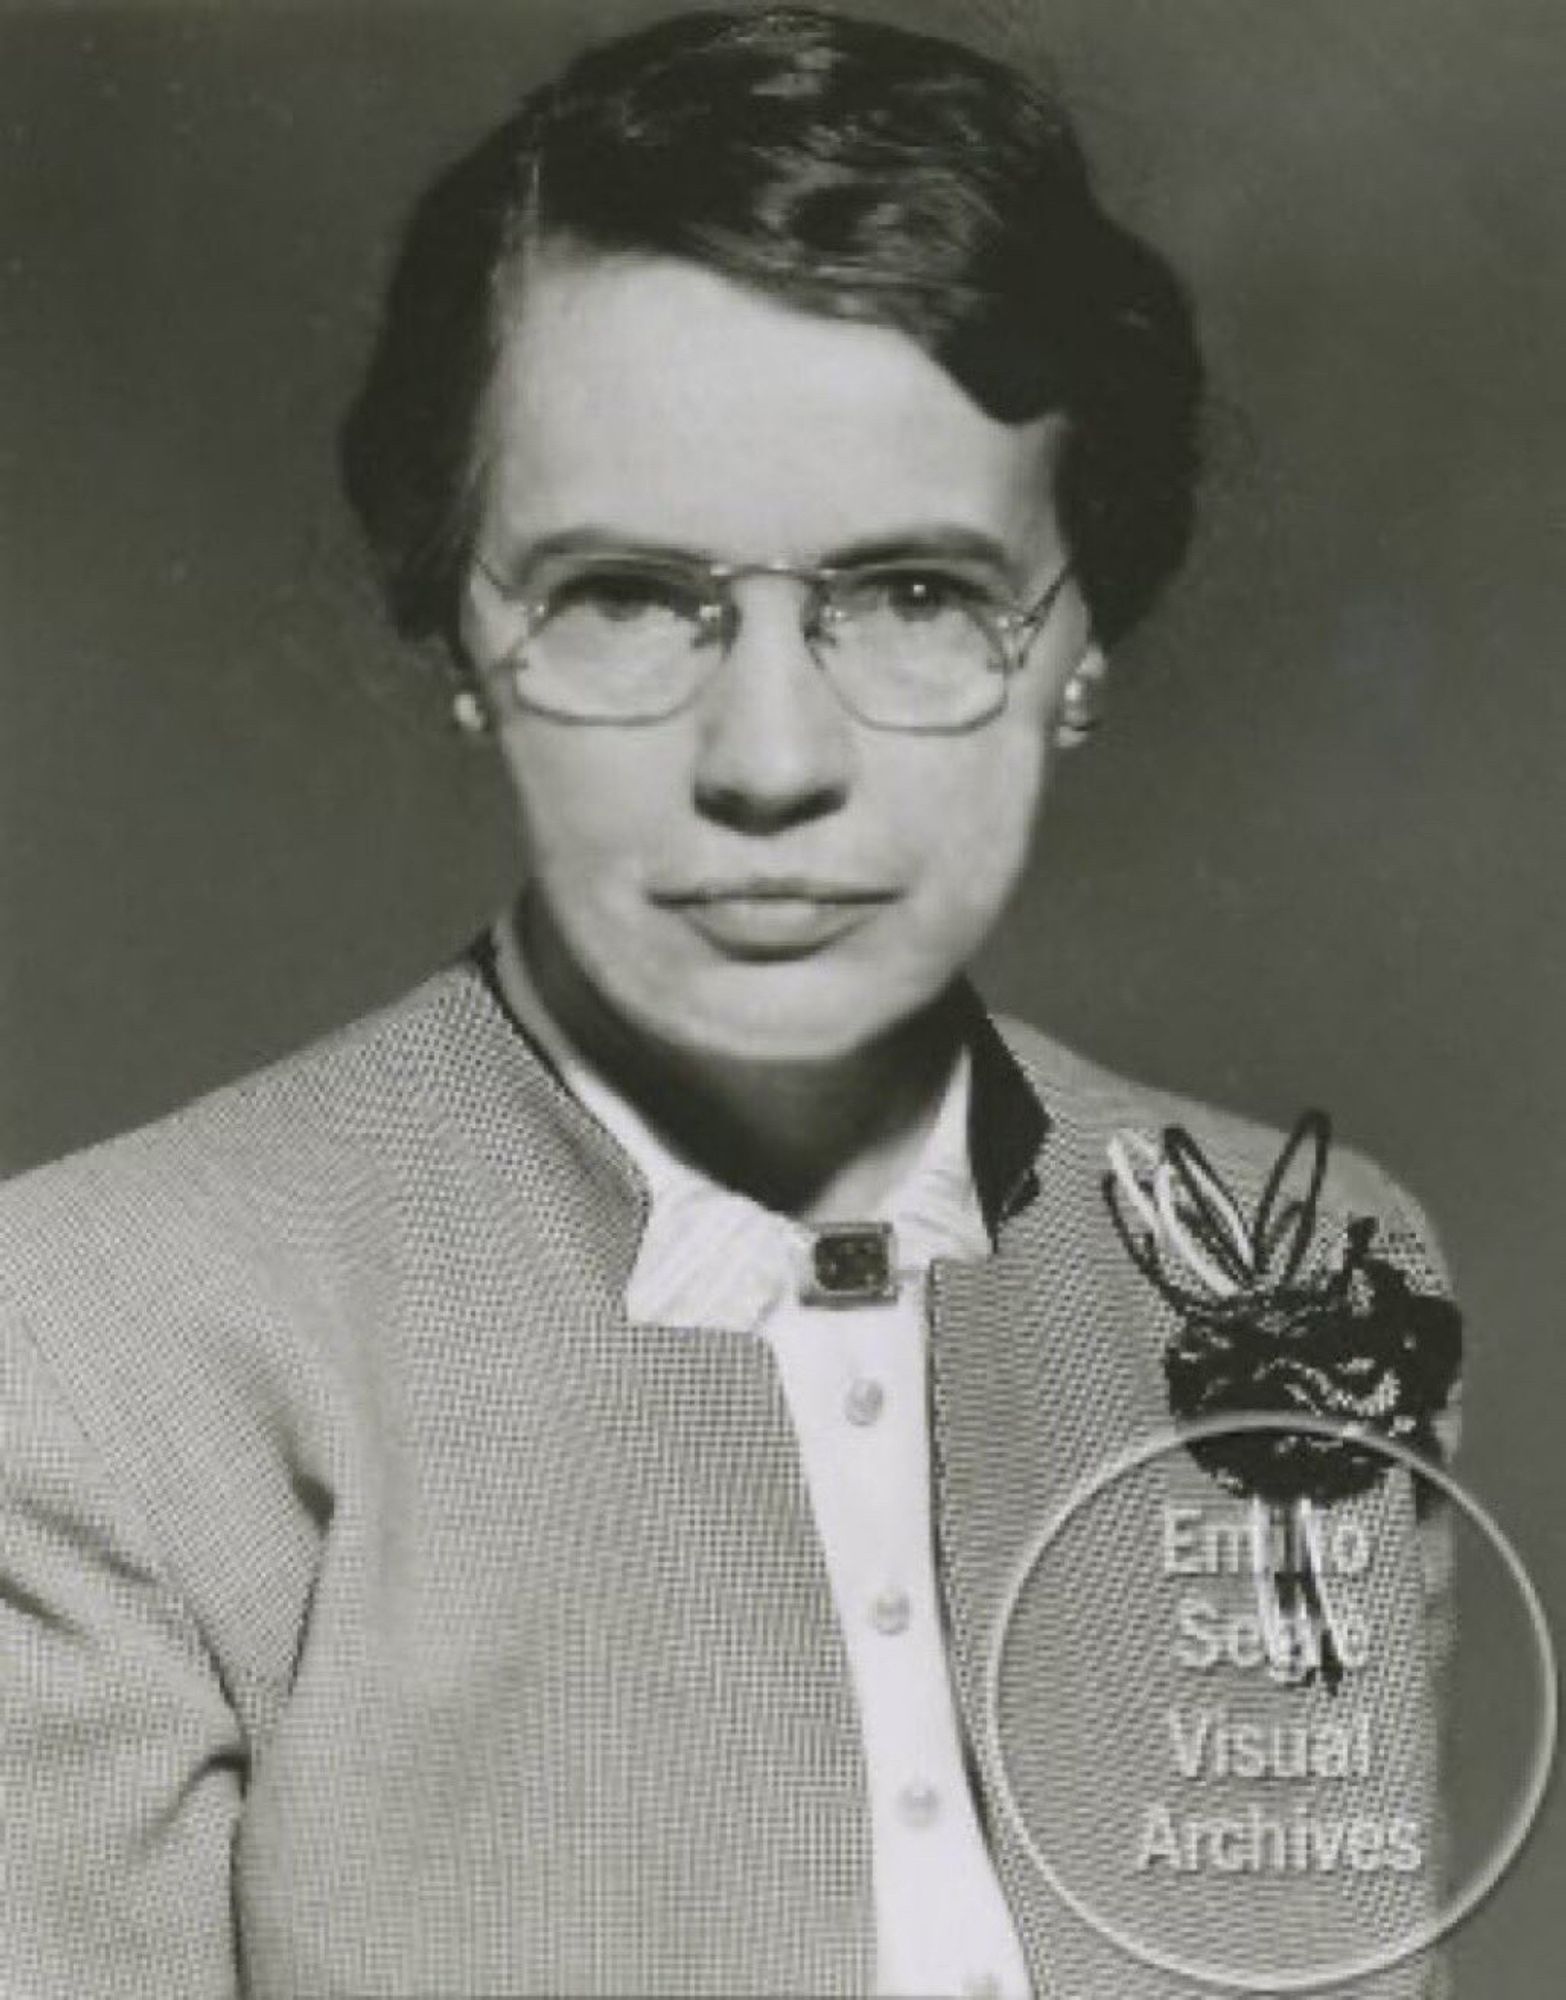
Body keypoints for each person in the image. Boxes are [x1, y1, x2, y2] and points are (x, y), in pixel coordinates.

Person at [0, 8, 1461, 1996]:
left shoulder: (1308, 1279)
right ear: (461, 630)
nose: (769, 758)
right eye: (616, 594)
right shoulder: (94, 1346)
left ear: (1080, 636)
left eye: (922, 594)